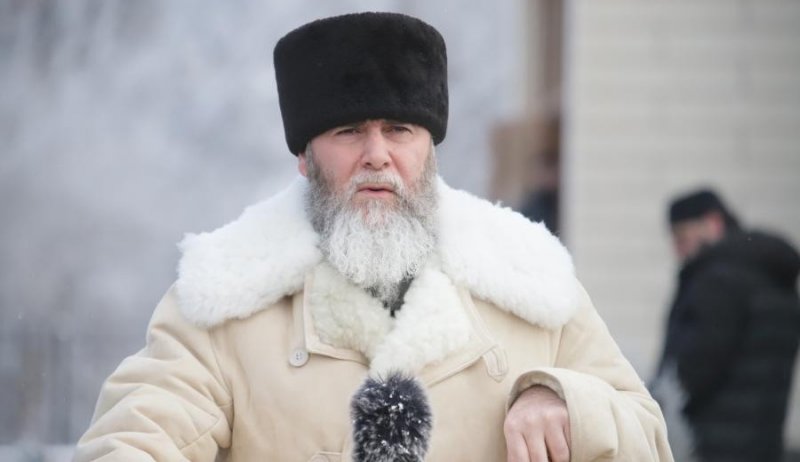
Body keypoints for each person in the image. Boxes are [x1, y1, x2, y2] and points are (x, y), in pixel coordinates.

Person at [76, 12, 672, 461]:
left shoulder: (528, 280)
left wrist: (562, 399)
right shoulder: (222, 301)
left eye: (399, 129)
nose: (377, 155)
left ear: (429, 148)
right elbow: (136, 435)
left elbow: (647, 435)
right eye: (348, 131)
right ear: (305, 157)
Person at [653, 188, 800, 462]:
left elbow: (694, 366)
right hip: (765, 442)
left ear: (713, 223)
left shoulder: (718, 279)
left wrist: (658, 404)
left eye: (683, 238)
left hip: (713, 445)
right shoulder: (772, 275)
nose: (678, 251)